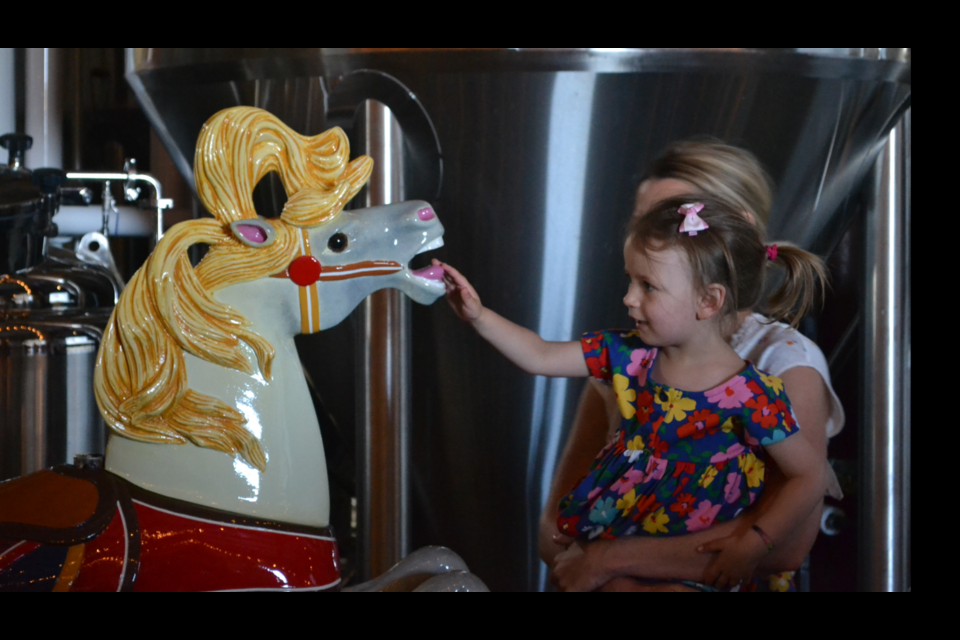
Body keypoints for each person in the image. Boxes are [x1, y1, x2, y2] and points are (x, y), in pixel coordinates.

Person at [437, 194, 829, 590]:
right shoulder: (626, 355)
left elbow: (810, 475)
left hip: (690, 562)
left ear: (708, 301)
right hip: (615, 539)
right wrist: (479, 316)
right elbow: (540, 355)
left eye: (648, 286)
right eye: (630, 280)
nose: (629, 298)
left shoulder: (752, 394)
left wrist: (755, 541)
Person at [541, 141, 844, 592]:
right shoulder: (630, 354)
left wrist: (610, 559)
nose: (650, 236)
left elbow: (788, 545)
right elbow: (556, 520)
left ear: (735, 233)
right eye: (644, 222)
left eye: (671, 220)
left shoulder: (784, 362)